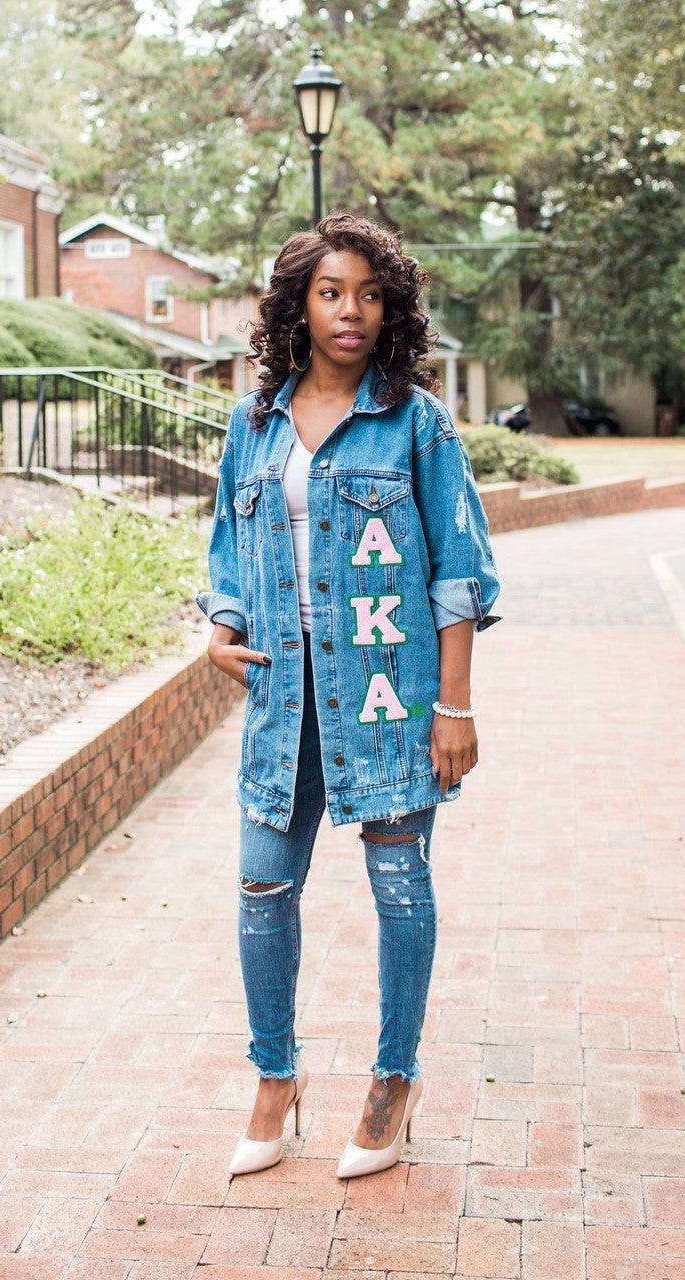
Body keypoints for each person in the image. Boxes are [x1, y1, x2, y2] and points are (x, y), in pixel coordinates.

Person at [196, 212, 500, 1180]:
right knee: (259, 887)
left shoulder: (416, 420)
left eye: (369, 293)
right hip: (283, 702)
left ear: (391, 308)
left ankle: (390, 1084)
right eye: (330, 292)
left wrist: (452, 707)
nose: (350, 311)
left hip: (386, 699)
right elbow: (226, 555)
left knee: (398, 889)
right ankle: (275, 1083)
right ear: (295, 305)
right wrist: (219, 628)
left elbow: (458, 571)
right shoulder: (253, 424)